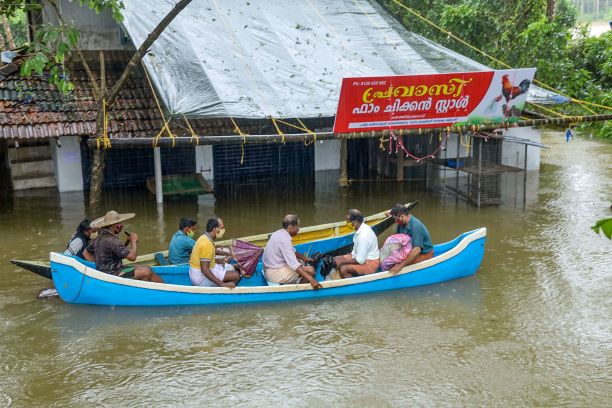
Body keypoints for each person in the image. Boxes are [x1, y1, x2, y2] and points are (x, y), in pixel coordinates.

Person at [84, 210, 164, 283]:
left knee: (147, 268)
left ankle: (164, 288)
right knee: (146, 271)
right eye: (119, 223)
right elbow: (132, 257)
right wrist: (133, 241)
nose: (121, 225)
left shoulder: (99, 237)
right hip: (114, 274)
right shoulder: (112, 240)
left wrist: (99, 265)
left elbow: (86, 253)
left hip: (106, 272)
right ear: (112, 225)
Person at [262, 214, 321, 289]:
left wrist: (304, 258)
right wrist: (312, 280)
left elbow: (291, 251)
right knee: (311, 270)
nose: (299, 228)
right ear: (291, 228)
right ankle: (301, 288)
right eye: (297, 226)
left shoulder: (279, 233)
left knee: (300, 262)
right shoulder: (285, 240)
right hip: (274, 274)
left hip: (269, 269)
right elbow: (294, 265)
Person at [189, 217, 241, 288]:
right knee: (236, 276)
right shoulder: (206, 244)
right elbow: (205, 270)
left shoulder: (205, 237)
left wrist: (229, 254)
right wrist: (222, 284)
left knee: (236, 267)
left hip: (201, 271)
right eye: (221, 228)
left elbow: (213, 251)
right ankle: (223, 288)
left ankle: (224, 283)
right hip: (200, 278)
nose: (223, 230)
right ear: (214, 229)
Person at [334, 209, 380, 278]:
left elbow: (360, 260)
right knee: (335, 259)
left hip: (370, 263)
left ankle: (351, 285)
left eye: (348, 221)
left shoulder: (363, 236)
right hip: (359, 256)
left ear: (355, 222)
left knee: (343, 269)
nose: (346, 223)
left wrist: (342, 262)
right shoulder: (360, 228)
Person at [388, 203, 434, 273]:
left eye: (396, 219)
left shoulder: (416, 226)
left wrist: (400, 265)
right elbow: (397, 241)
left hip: (423, 254)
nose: (395, 221)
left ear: (402, 216)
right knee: (390, 261)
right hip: (409, 250)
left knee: (394, 266)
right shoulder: (401, 223)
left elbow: (417, 250)